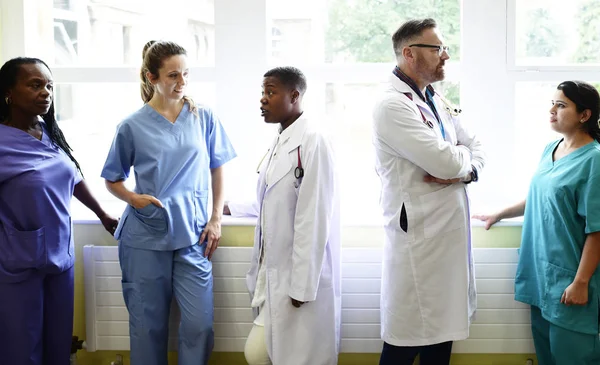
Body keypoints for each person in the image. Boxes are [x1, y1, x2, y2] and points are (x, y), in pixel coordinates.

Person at [101, 41, 236, 365]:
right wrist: (133, 198)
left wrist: (215, 218)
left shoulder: (203, 117)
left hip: (194, 235)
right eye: (173, 75)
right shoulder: (131, 126)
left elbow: (218, 167)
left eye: (186, 74)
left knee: (199, 325)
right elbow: (112, 178)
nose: (182, 82)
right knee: (148, 329)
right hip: (146, 237)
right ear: (151, 77)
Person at [372, 18, 486, 365]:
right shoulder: (393, 106)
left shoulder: (433, 96)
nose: (446, 56)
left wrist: (467, 168)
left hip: (444, 241)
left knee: (441, 339)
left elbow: (474, 146)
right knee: (404, 344)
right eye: (437, 49)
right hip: (419, 244)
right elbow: (446, 163)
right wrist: (461, 164)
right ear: (409, 53)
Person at [0, 57, 118, 365]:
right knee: (22, 346)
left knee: (58, 342)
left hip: (60, 256)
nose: (46, 92)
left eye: (50, 85)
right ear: (8, 92)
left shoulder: (48, 132)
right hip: (17, 260)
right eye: (35, 85)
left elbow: (73, 177)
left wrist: (102, 214)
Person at [474, 81, 600, 365]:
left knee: (574, 356)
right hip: (541, 275)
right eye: (552, 103)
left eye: (562, 105)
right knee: (547, 356)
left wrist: (580, 282)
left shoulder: (594, 161)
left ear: (585, 115)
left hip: (570, 280)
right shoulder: (551, 148)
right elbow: (540, 197)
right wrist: (499, 214)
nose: (552, 110)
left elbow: (597, 229)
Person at [225, 66, 341, 365]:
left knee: (263, 353)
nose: (263, 100)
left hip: (298, 277)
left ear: (294, 95)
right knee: (266, 354)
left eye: (271, 92)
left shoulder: (313, 141)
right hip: (276, 272)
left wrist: (302, 285)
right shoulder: (283, 139)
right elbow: (274, 197)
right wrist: (230, 208)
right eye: (263, 92)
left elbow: (313, 216)